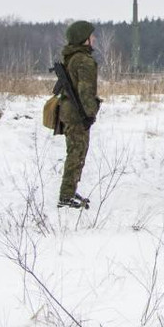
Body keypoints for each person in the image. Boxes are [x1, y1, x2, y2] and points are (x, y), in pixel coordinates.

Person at [56, 20, 99, 209]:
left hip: (69, 111)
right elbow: (85, 91)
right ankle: (66, 196)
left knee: (75, 152)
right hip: (76, 114)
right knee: (76, 154)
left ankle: (70, 190)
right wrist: (90, 113)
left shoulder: (72, 57)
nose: (94, 38)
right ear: (84, 40)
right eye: (91, 36)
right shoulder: (84, 60)